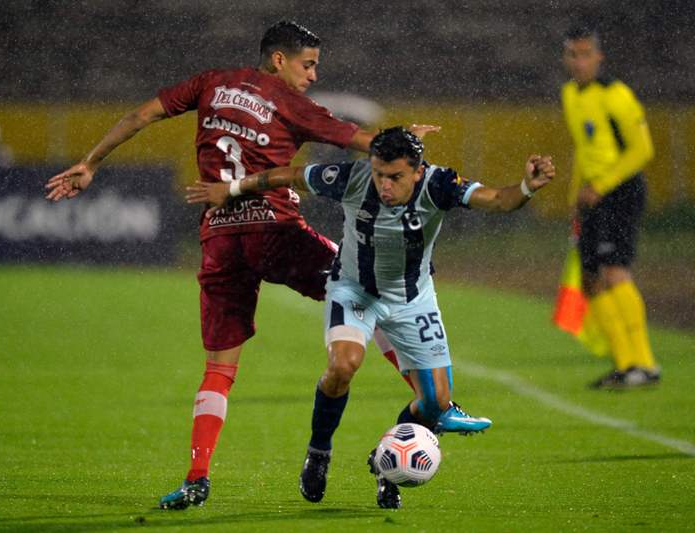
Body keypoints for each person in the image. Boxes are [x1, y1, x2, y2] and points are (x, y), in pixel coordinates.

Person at [44, 21, 429, 510]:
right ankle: (432, 397)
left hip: (221, 240)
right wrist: (403, 138)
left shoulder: (209, 83)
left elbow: (142, 114)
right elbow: (366, 143)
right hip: (277, 232)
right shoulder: (292, 103)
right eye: (308, 64)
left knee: (220, 369)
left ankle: (197, 476)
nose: (312, 76)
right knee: (369, 292)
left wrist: (91, 162)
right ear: (278, 60)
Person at [186, 126, 555, 508]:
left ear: (417, 170)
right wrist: (231, 190)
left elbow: (496, 199)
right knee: (343, 366)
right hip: (354, 290)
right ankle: (319, 452)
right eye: (379, 174)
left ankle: (385, 464)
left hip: (413, 300)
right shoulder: (353, 177)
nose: (384, 185)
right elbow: (291, 175)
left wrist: (527, 187)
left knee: (435, 404)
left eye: (395, 177)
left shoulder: (439, 183)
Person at [561, 26, 659, 389]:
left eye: (586, 54)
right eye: (573, 54)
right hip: (590, 198)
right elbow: (583, 153)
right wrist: (576, 197)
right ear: (565, 58)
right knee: (590, 280)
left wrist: (600, 186)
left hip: (620, 192)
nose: (580, 61)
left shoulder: (616, 95)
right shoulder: (570, 95)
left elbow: (642, 150)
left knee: (616, 272)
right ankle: (624, 364)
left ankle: (644, 363)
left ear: (599, 57)